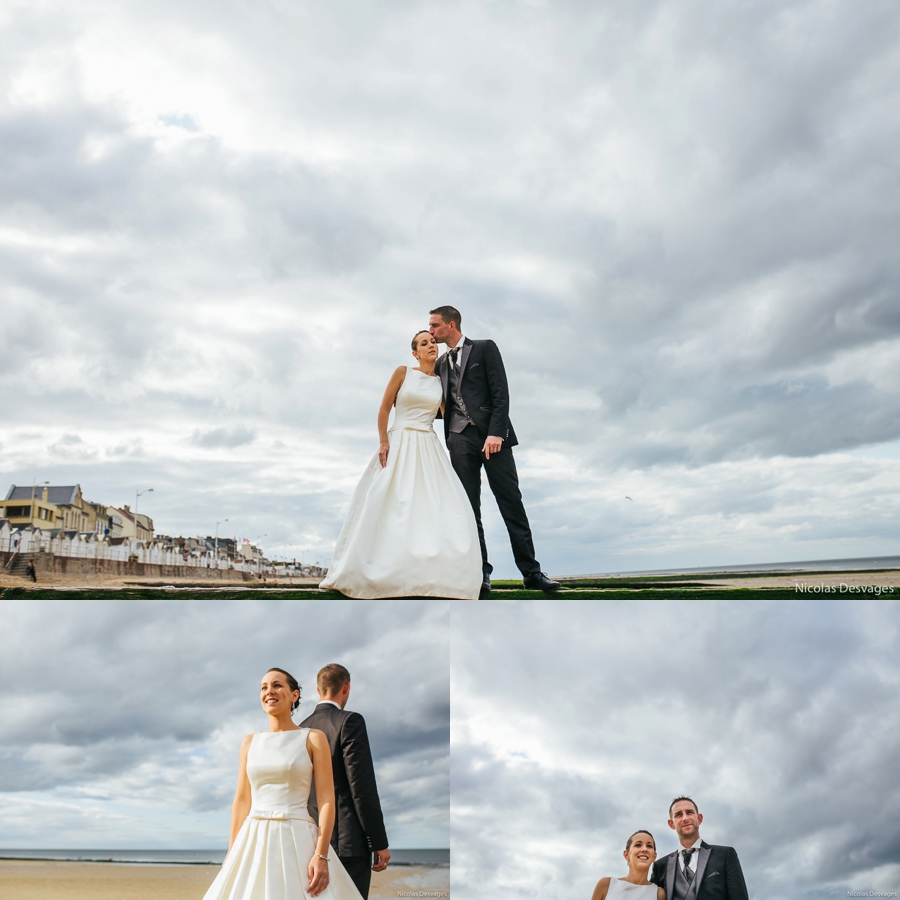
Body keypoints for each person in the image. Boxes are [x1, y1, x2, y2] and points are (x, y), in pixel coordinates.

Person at [319, 330, 482, 599]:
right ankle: (378, 570)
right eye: (424, 343)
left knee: (434, 506)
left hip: (428, 445)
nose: (431, 345)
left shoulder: (442, 381)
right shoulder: (403, 372)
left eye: (432, 342)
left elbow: (448, 413)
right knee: (391, 503)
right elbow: (384, 409)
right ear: (414, 352)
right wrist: (384, 442)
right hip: (399, 441)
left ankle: (433, 577)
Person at [429, 305, 560, 595]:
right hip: (459, 440)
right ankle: (480, 573)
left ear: (451, 325)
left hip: (493, 438)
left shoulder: (485, 348)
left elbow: (501, 393)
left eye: (435, 326)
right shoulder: (439, 365)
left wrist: (496, 433)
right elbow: (442, 404)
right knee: (468, 509)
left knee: (511, 501)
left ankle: (531, 572)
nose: (431, 331)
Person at [202, 668, 363, 900]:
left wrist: (321, 854)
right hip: (253, 839)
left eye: (277, 685)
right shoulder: (249, 742)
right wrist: (232, 851)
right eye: (263, 687)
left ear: (294, 695)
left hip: (298, 839)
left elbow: (327, 799)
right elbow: (242, 799)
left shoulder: (313, 738)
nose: (269, 691)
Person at [300, 665, 389, 900]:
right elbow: (361, 787)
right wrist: (378, 841)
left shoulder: (299, 730)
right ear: (346, 687)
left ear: (317, 689)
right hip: (347, 841)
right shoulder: (350, 721)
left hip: (308, 840)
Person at [651, 797, 749, 900]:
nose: (685, 818)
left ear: (699, 819)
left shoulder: (726, 855)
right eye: (678, 814)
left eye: (689, 812)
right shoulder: (660, 866)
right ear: (671, 824)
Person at [591, 830, 666, 900]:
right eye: (638, 845)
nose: (644, 849)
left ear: (654, 856)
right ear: (626, 855)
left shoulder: (659, 894)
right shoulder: (606, 884)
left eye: (649, 846)